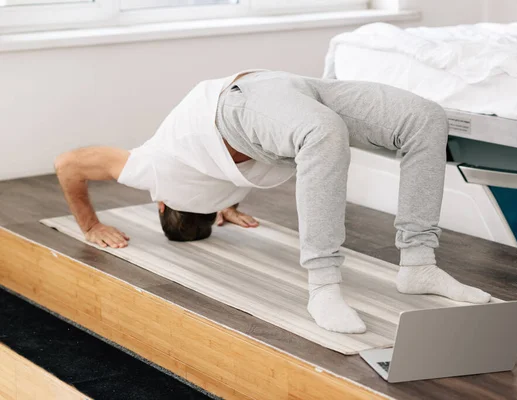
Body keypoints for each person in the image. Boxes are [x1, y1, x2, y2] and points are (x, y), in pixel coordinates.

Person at [55, 70, 491, 334]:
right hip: (286, 93)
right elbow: (71, 165)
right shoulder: (216, 187)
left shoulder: (156, 171)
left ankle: (350, 282)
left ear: (164, 205)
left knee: (326, 132)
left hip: (241, 101)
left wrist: (90, 227)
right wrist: (225, 201)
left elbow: (67, 164)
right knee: (425, 119)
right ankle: (411, 264)